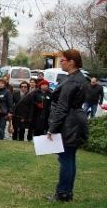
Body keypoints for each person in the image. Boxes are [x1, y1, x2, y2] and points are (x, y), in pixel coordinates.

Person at [46, 49, 88, 203]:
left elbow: (62, 107)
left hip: (69, 123)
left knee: (66, 159)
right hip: (75, 121)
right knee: (69, 158)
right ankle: (66, 193)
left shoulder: (72, 81)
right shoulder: (79, 78)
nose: (61, 62)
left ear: (72, 62)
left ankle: (63, 193)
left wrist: (52, 129)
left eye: (63, 60)